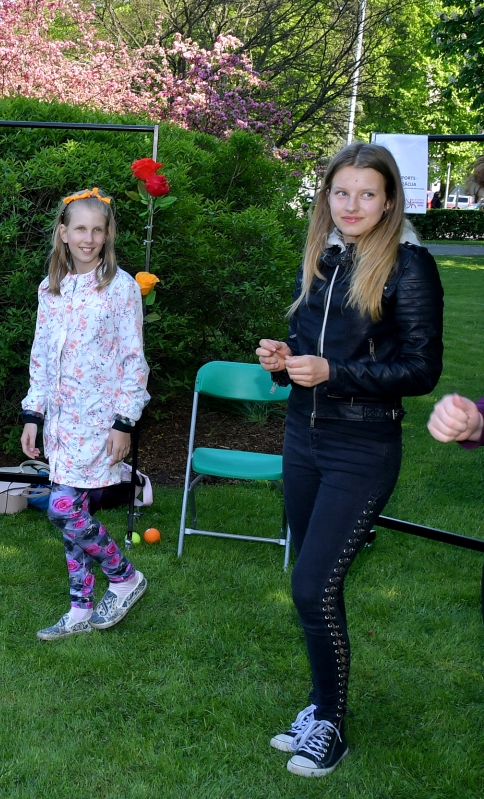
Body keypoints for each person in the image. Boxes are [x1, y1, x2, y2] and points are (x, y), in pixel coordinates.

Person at [256, 142, 443, 777]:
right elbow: (308, 350)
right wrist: (284, 361)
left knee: (312, 585)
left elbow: (420, 369)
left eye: (367, 193)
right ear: (327, 197)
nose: (353, 205)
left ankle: (331, 722)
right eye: (342, 192)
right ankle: (319, 704)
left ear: (389, 200)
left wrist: (334, 373)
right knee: (317, 585)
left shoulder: (409, 266)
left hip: (362, 447)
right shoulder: (322, 256)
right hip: (301, 439)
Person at [19, 188, 150, 641]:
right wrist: (33, 413)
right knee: (70, 509)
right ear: (63, 232)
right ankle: (80, 608)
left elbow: (134, 360)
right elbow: (41, 356)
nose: (88, 238)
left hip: (99, 423)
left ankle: (124, 577)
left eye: (97, 229)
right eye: (80, 229)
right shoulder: (50, 288)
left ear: (108, 234)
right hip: (60, 423)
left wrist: (124, 421)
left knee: (61, 508)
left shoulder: (121, 287)